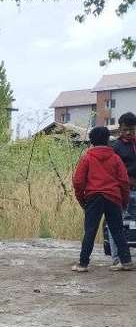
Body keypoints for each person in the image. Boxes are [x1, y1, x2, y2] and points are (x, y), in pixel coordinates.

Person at [71, 126, 132, 272]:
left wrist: (82, 200)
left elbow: (78, 182)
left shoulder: (87, 158)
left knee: (90, 231)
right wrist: (124, 201)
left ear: (91, 141)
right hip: (113, 197)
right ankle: (126, 261)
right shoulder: (116, 158)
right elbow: (124, 182)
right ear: (107, 140)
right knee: (117, 230)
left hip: (93, 198)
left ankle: (83, 264)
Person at [108, 111, 136, 264]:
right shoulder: (115, 147)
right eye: (125, 129)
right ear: (120, 129)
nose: (128, 133)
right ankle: (117, 258)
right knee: (117, 224)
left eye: (132, 129)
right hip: (122, 192)